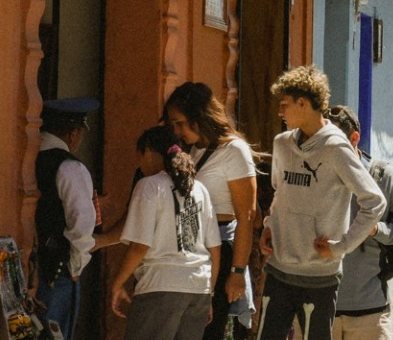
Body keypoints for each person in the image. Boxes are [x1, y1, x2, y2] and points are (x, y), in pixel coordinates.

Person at [256, 68, 384, 340]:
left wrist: (342, 247)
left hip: (319, 278)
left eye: (284, 105)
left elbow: (374, 201)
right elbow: (280, 193)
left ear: (303, 103)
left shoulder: (336, 148)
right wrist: (270, 226)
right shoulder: (282, 144)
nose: (280, 112)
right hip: (279, 270)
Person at [106, 125, 222, 340]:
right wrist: (209, 294)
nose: (140, 164)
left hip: (160, 287)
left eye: (140, 156)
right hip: (199, 289)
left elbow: (140, 246)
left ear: (149, 151)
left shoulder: (149, 185)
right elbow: (215, 250)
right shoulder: (200, 189)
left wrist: (117, 283)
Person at [164, 82, 260, 340]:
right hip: (190, 250)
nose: (176, 131)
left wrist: (237, 272)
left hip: (220, 249)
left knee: (211, 330)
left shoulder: (234, 151)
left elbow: (247, 217)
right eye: (173, 124)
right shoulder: (191, 150)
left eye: (180, 123)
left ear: (199, 116)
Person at [324, 106, 393, 340]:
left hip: (369, 310)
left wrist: (377, 230)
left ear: (354, 138)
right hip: (318, 307)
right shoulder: (314, 178)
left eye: (334, 141)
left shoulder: (384, 178)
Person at [34, 97, 100, 340]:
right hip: (58, 271)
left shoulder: (29, 158)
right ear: (73, 133)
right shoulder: (70, 167)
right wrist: (77, 265)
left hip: (30, 265)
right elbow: (82, 224)